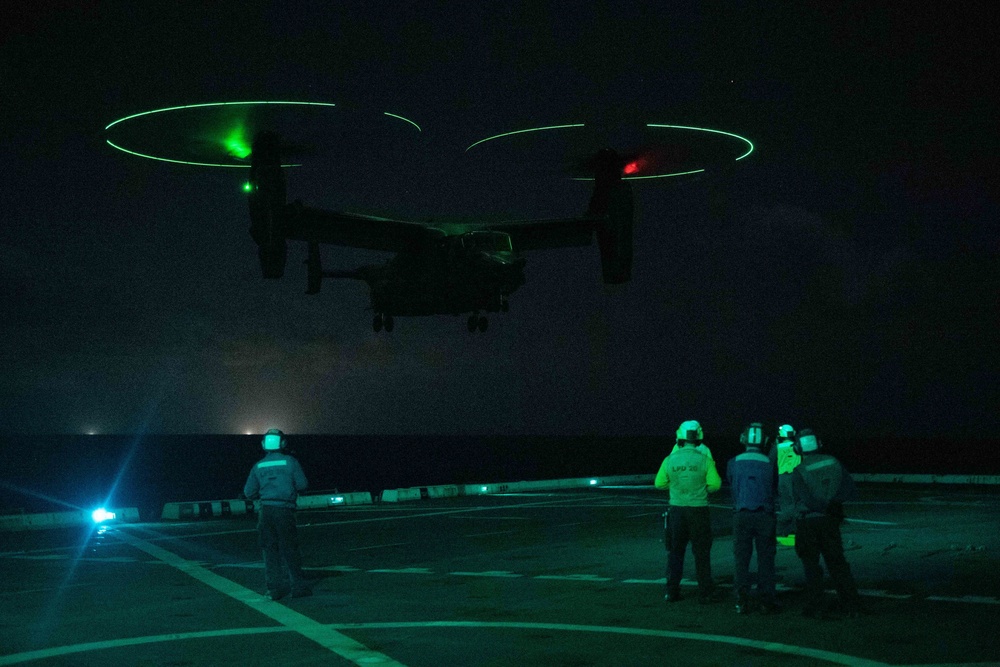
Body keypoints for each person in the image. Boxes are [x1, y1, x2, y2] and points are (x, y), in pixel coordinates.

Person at [790, 428, 865, 618]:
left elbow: (805, 499)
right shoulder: (834, 462)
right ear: (819, 443)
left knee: (811, 566)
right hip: (830, 521)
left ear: (798, 448)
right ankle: (851, 603)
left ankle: (817, 604)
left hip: (808, 522)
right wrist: (832, 506)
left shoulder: (799, 471)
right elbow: (849, 489)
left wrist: (821, 507)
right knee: (838, 563)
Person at [655, 420, 723, 604]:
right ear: (699, 435)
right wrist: (699, 489)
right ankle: (705, 593)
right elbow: (715, 484)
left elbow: (659, 483)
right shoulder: (705, 457)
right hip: (698, 510)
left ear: (680, 436)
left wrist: (677, 488)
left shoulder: (670, 458)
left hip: (677, 510)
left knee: (675, 552)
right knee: (701, 552)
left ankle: (672, 591)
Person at [243, 428, 311, 600]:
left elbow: (249, 492)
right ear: (283, 443)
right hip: (285, 510)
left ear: (264, 445)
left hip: (265, 512)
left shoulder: (258, 465)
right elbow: (302, 485)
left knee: (270, 550)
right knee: (290, 549)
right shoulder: (290, 462)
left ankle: (274, 589)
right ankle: (298, 587)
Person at [727, 422, 780, 614]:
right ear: (764, 441)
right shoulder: (769, 463)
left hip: (741, 515)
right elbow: (774, 487)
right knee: (766, 560)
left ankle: (741, 600)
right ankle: (766, 600)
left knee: (741, 560)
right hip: (765, 515)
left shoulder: (733, 462)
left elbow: (733, 487)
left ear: (744, 439)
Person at [769, 424, 800, 546]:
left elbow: (770, 461)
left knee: (785, 503)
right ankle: (795, 528)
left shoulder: (778, 447)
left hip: (783, 477)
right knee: (796, 503)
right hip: (796, 477)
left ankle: (784, 530)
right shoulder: (797, 446)